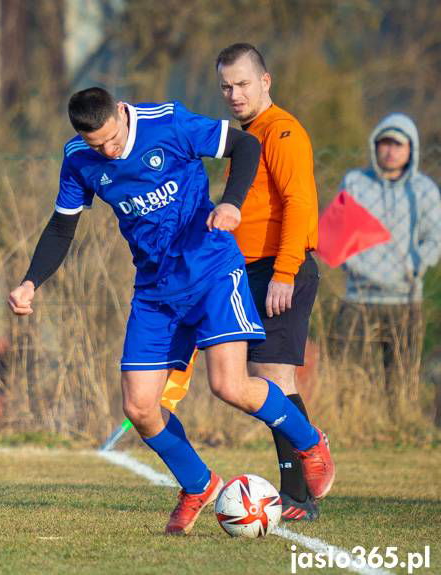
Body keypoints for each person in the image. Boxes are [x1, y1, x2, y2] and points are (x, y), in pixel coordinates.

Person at [7, 87, 335, 535]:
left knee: (230, 385)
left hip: (212, 272)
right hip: (155, 291)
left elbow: (245, 144)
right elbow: (62, 226)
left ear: (123, 113)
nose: (108, 151)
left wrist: (232, 204)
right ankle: (198, 485)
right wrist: (30, 281)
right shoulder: (79, 158)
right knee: (140, 407)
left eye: (113, 140)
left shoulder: (168, 123)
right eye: (97, 145)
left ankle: (309, 442)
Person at [216, 43, 321, 522]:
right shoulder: (248, 135)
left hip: (282, 268)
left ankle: (299, 494)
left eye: (242, 83)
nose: (234, 93)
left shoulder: (281, 130)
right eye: (226, 86)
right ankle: (302, 476)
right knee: (257, 382)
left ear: (265, 81)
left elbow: (300, 203)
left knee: (274, 379)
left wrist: (284, 272)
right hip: (250, 268)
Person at [333, 113, 441, 403]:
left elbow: (435, 237)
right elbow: (337, 234)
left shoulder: (423, 191)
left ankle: (397, 424)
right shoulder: (355, 183)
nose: (390, 151)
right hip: (359, 296)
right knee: (349, 373)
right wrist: (356, 268)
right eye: (384, 143)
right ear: (375, 146)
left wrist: (415, 267)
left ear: (411, 150)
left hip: (404, 299)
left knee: (400, 378)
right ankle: (352, 424)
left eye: (398, 145)